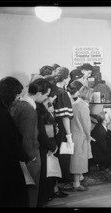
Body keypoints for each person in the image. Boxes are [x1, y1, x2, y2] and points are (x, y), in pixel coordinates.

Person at [10, 78, 51, 207]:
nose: (46, 98)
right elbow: (28, 135)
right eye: (46, 95)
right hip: (30, 155)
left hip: (20, 153)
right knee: (32, 188)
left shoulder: (18, 103)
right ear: (38, 94)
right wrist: (32, 156)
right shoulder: (29, 109)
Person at [0, 77, 29, 208]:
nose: (16, 98)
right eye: (15, 95)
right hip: (4, 160)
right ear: (9, 93)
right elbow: (7, 137)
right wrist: (22, 154)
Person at [36, 78, 63, 207]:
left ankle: (51, 192)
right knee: (47, 172)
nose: (54, 99)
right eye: (52, 97)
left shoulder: (47, 106)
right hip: (47, 144)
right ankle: (46, 195)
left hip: (50, 141)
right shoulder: (41, 108)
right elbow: (43, 130)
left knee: (50, 171)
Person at [53, 66, 74, 191]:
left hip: (53, 128)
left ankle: (56, 182)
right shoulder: (63, 93)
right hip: (63, 129)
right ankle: (64, 181)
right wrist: (69, 135)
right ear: (66, 78)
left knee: (57, 155)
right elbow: (65, 117)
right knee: (65, 156)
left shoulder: (53, 90)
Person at [70, 86, 94, 191]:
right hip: (81, 135)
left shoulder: (74, 104)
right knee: (78, 160)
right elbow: (86, 124)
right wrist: (89, 136)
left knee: (76, 158)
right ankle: (76, 183)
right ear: (88, 95)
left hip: (74, 134)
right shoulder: (83, 106)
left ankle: (79, 178)